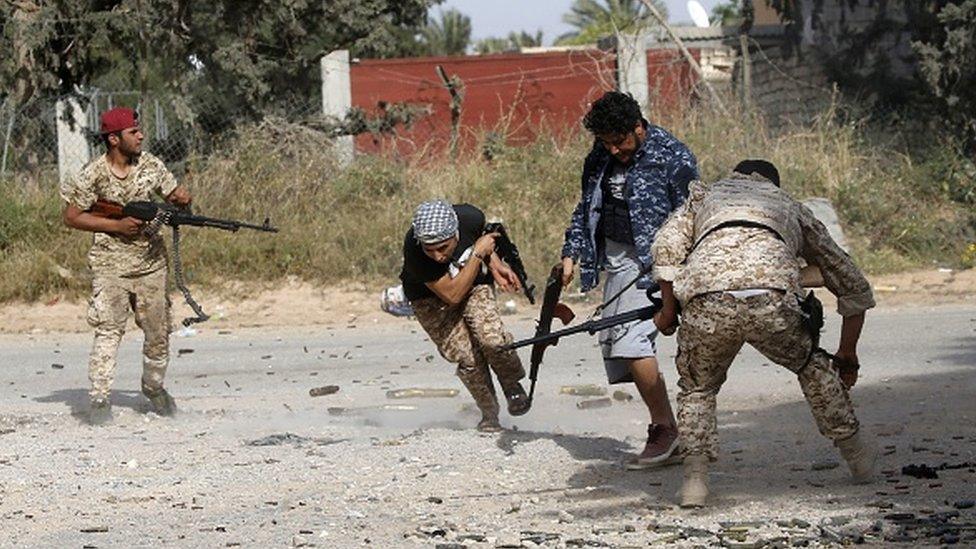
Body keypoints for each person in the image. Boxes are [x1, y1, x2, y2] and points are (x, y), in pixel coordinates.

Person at [651, 159, 877, 507]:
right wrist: (847, 353)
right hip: (772, 299)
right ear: (774, 184)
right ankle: (858, 457)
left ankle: (694, 483)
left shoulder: (705, 197)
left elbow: (666, 246)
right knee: (811, 367)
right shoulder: (788, 206)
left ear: (735, 176)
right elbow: (851, 283)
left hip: (707, 298)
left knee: (698, 387)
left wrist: (668, 310)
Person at [560, 91, 698, 468]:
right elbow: (586, 206)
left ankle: (666, 430)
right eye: (606, 142)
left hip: (659, 263)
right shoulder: (600, 155)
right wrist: (571, 253)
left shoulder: (674, 157)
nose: (614, 150)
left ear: (638, 126)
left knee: (631, 339)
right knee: (614, 340)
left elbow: (692, 217)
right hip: (619, 259)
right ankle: (668, 426)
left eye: (620, 141)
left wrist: (677, 281)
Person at [60, 107, 191, 425]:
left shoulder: (151, 166)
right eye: (134, 132)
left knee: (158, 332)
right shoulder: (93, 174)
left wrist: (181, 200)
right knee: (108, 331)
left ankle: (154, 389)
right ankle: (100, 400)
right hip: (109, 267)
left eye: (140, 129)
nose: (141, 135)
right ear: (114, 139)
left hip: (150, 265)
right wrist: (116, 227)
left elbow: (173, 195)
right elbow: (72, 216)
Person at [400, 200, 531, 432]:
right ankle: (489, 412)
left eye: (443, 247)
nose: (438, 256)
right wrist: (479, 255)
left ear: (455, 234)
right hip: (430, 298)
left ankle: (511, 384)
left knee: (492, 339)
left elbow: (482, 240)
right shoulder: (414, 250)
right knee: (466, 357)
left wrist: (495, 264)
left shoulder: (471, 217)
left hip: (472, 283)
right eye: (429, 249)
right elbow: (452, 295)